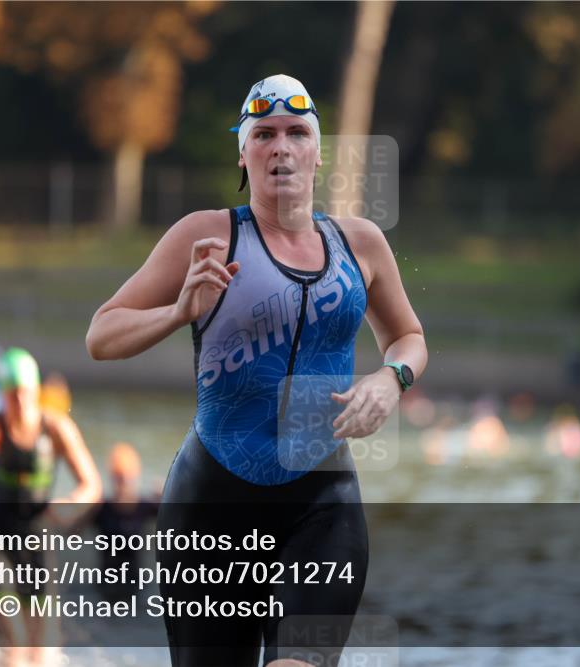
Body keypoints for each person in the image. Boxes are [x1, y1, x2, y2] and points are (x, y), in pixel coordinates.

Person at [86, 73, 427, 667]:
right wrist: (178, 311)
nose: (281, 148)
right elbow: (101, 335)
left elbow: (409, 338)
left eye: (297, 133)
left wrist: (389, 378)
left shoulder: (361, 243)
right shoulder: (207, 236)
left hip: (322, 505)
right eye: (264, 134)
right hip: (211, 508)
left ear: (318, 153)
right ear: (242, 154)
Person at [0, 346, 101, 667]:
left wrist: (71, 503)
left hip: (39, 543)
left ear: (36, 391)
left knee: (43, 652)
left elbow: (91, 484)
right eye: (12, 394)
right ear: (3, 394)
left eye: (25, 393)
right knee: (16, 645)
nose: (19, 402)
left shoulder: (56, 428)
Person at [90, 442, 161, 601]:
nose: (123, 484)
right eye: (118, 479)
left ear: (136, 476)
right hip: (106, 584)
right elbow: (70, 529)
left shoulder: (144, 506)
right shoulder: (101, 507)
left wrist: (167, 492)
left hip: (136, 583)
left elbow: (179, 518)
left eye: (127, 478)